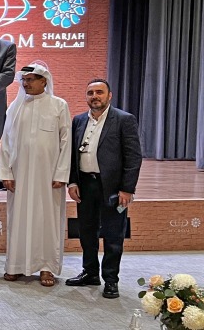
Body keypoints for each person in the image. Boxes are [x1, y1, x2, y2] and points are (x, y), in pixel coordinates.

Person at [65, 79, 143, 299]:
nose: (95, 96)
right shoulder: (79, 120)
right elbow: (72, 155)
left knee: (113, 234)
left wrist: (127, 189)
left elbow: (133, 157)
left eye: (99, 92)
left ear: (109, 95)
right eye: (90, 93)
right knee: (86, 232)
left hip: (112, 188)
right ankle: (90, 273)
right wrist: (73, 182)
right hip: (85, 185)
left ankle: (111, 279)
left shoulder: (124, 120)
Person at [0, 63, 71, 287]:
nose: (26, 83)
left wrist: (61, 173)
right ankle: (15, 266)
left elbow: (66, 141)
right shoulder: (15, 107)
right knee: (18, 219)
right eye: (24, 79)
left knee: (47, 220)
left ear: (44, 81)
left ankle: (46, 267)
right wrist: (6, 172)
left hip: (48, 177)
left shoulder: (59, 105)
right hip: (19, 175)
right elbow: (6, 142)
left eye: (30, 79)